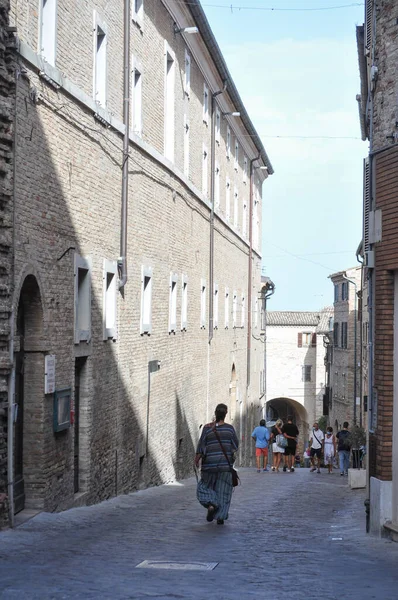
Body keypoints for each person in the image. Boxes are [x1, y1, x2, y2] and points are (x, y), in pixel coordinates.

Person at [195, 403, 239, 525]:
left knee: (204, 487)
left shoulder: (207, 428)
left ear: (215, 413)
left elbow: (201, 446)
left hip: (209, 466)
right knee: (224, 491)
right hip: (225, 466)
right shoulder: (229, 429)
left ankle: (211, 504)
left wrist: (197, 459)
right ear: (225, 414)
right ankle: (220, 516)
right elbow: (235, 446)